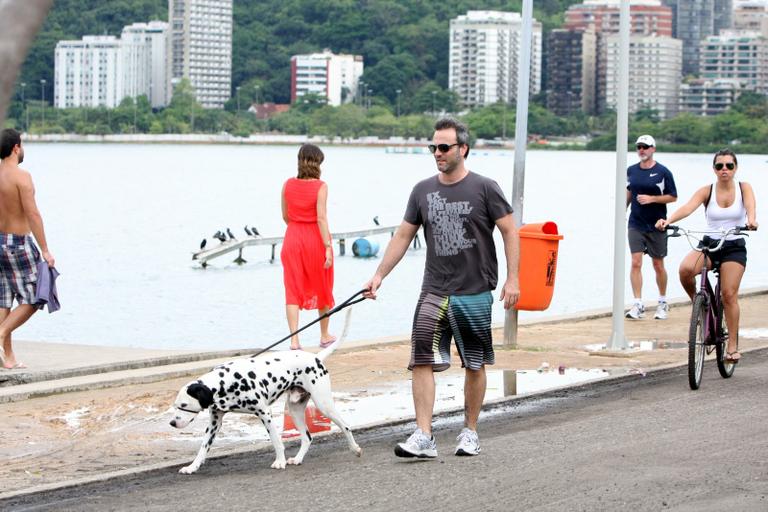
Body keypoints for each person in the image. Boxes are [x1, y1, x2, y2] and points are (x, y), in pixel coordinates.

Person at [363, 117, 519, 458]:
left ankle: (470, 432)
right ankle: (423, 436)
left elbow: (510, 230)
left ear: (463, 149)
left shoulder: (485, 188)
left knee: (474, 364)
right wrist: (379, 275)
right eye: (433, 147)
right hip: (434, 289)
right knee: (421, 358)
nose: (437, 153)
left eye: (444, 147)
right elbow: (403, 235)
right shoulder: (422, 190)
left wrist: (513, 278)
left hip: (475, 290)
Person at [656, 149, 758, 363]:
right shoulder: (707, 191)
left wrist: (752, 220)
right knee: (685, 270)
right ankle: (700, 305)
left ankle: (732, 346)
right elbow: (687, 208)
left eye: (729, 166)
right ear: (714, 169)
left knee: (729, 295)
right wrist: (668, 220)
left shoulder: (743, 188)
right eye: (720, 166)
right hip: (709, 243)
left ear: (735, 168)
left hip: (734, 245)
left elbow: (750, 207)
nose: (724, 170)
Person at [0, 128, 55, 369]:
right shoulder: (22, 177)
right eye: (21, 144)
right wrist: (45, 249)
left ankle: (7, 358)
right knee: (35, 297)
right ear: (15, 148)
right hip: (18, 243)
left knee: (4, 300)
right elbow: (32, 214)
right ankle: (1, 334)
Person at [280, 143, 335, 351]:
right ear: (318, 162)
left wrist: (297, 228)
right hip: (315, 239)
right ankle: (324, 335)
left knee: (292, 289)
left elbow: (285, 216)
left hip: (292, 237)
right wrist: (327, 246)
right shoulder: (321, 186)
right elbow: (321, 218)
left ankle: (294, 341)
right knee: (323, 285)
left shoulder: (287, 184)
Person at [625, 134, 677, 320]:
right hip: (636, 223)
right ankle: (638, 304)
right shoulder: (631, 170)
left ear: (653, 149)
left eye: (645, 147)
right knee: (635, 262)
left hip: (657, 224)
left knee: (657, 264)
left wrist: (652, 199)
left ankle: (662, 302)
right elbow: (629, 192)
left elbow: (673, 196)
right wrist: (621, 211)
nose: (642, 150)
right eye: (639, 147)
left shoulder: (663, 172)